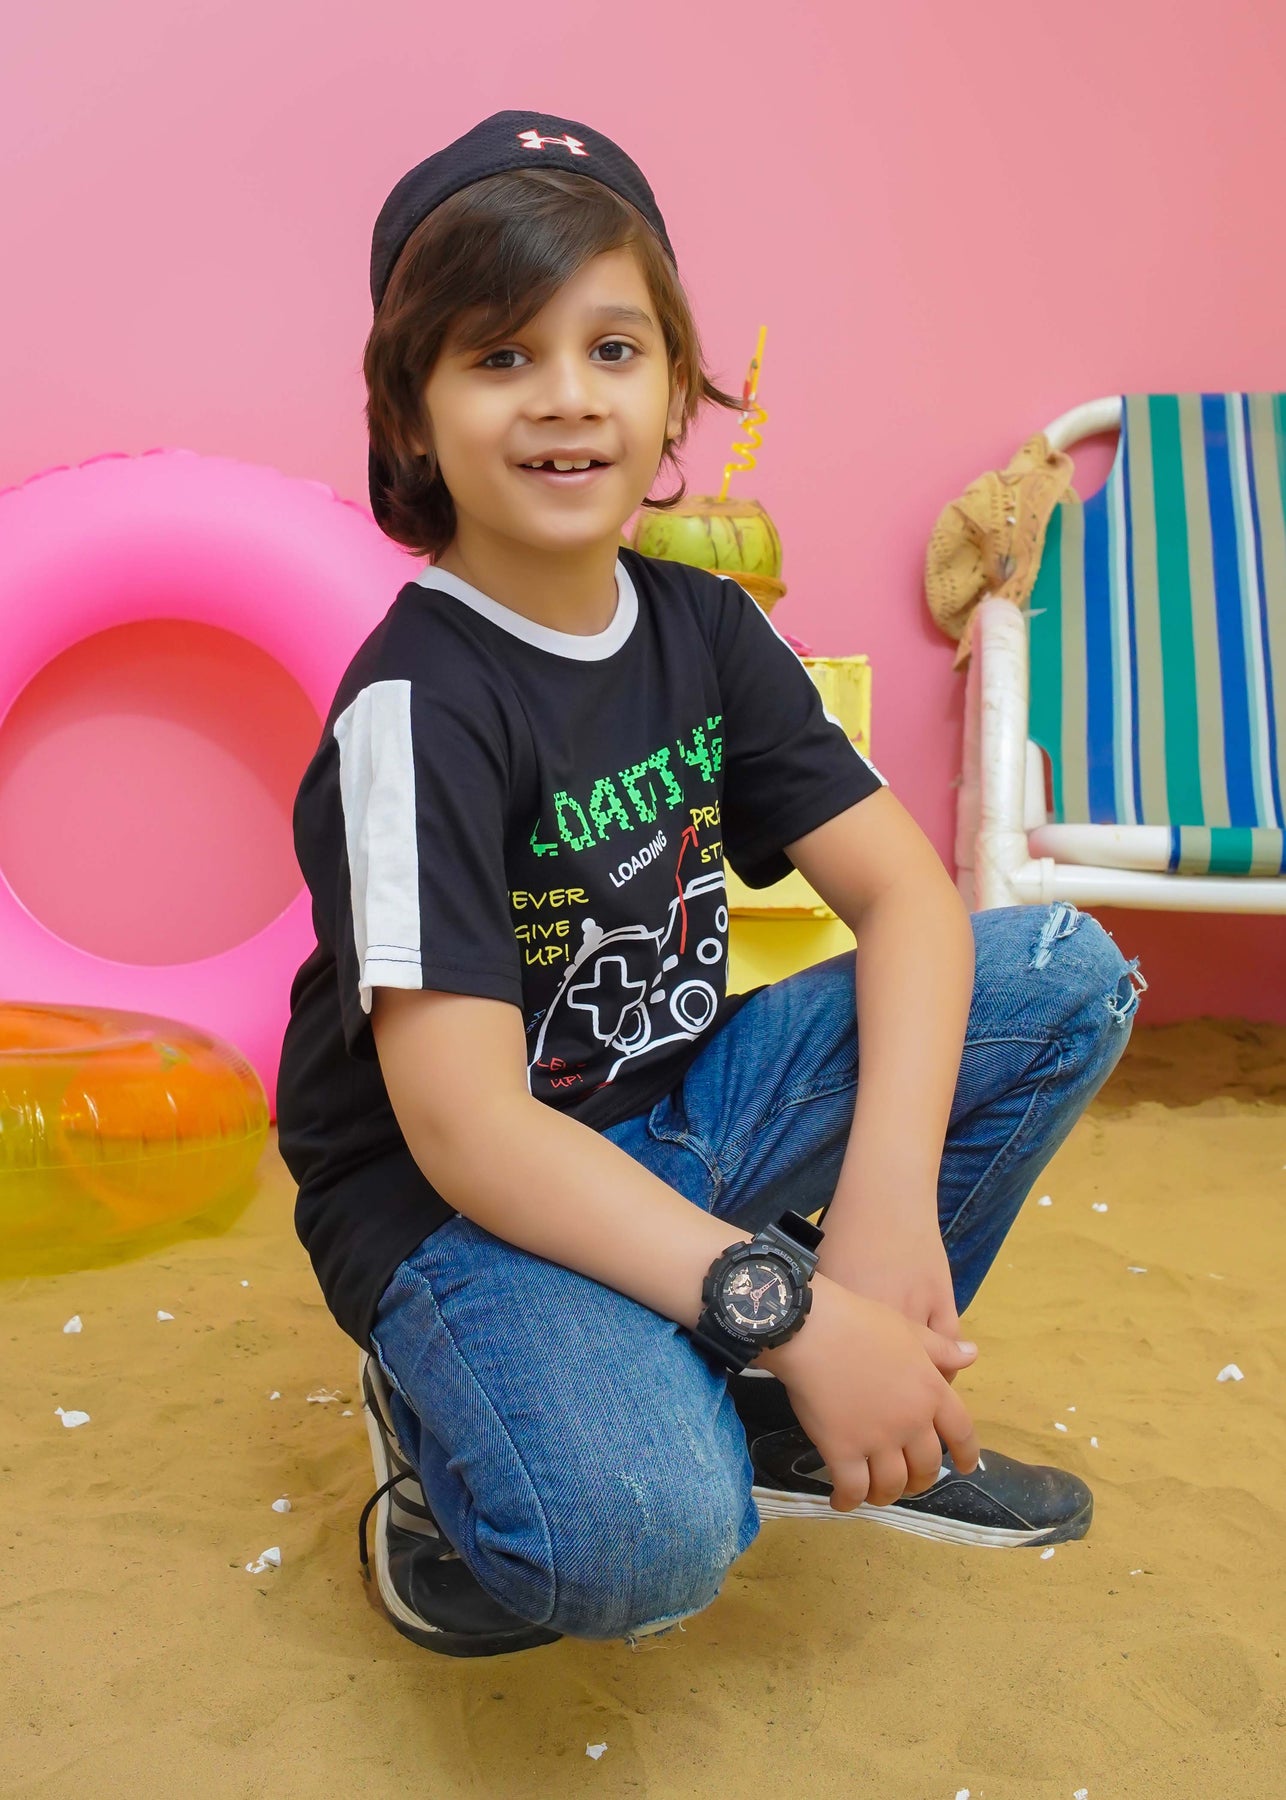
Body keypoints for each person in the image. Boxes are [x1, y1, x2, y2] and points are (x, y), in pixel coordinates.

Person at [275, 110, 1147, 1662]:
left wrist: (879, 1219)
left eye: (612, 349)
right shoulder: (418, 709)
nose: (565, 396)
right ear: (409, 410)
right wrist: (784, 1303)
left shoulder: (702, 628)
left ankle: (776, 1401)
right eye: (499, 355)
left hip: (670, 1114)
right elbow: (470, 1133)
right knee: (642, 1540)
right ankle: (446, 1428)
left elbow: (909, 902)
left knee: (1055, 976)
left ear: (675, 386)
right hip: (461, 1205)